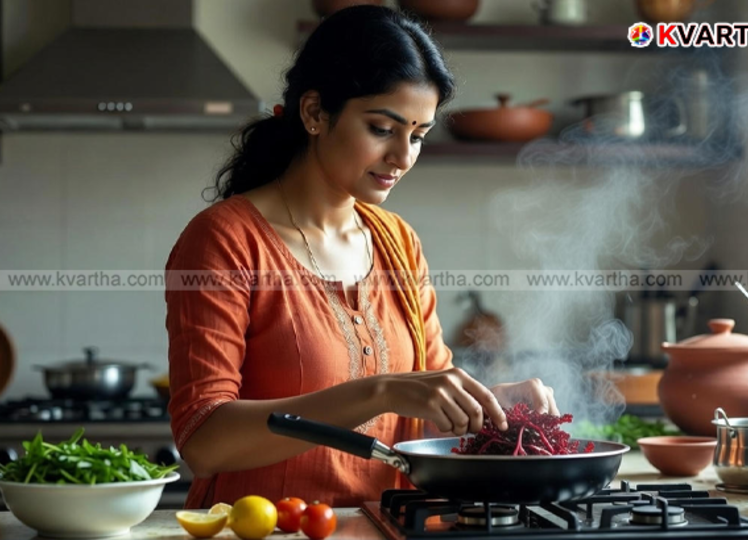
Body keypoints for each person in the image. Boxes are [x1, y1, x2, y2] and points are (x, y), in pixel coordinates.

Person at [165, 5, 559, 509]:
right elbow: (203, 442)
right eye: (381, 128)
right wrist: (380, 392)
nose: (403, 157)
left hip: (387, 527)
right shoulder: (225, 240)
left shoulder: (398, 242)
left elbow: (424, 411)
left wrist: (491, 404)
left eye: (418, 135)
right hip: (265, 530)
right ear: (314, 113)